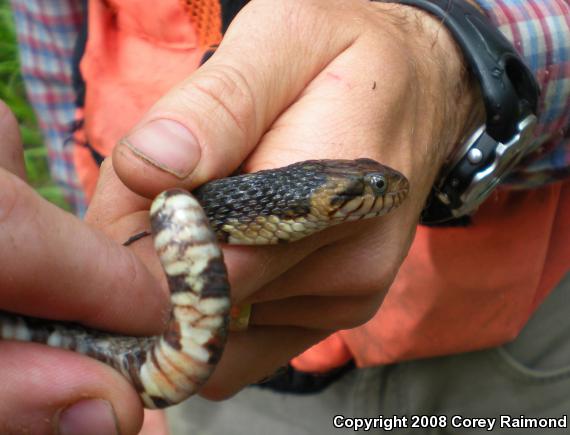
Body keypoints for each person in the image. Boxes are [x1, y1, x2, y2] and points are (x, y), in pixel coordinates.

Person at [4, 0, 569, 434]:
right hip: (219, 383)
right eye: (370, 188)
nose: (383, 189)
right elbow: (58, 71)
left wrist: (455, 68)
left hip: (515, 352)